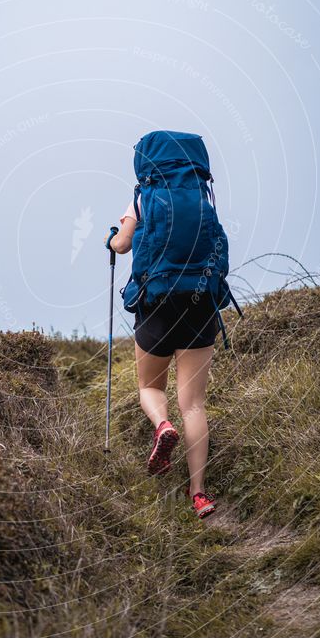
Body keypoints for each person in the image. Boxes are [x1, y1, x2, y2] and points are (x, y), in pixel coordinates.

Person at [105, 197, 219, 519]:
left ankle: (163, 424)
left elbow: (123, 244)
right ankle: (198, 494)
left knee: (150, 387)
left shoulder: (142, 197)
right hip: (199, 306)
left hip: (157, 306)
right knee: (194, 404)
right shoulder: (200, 196)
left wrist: (111, 238)